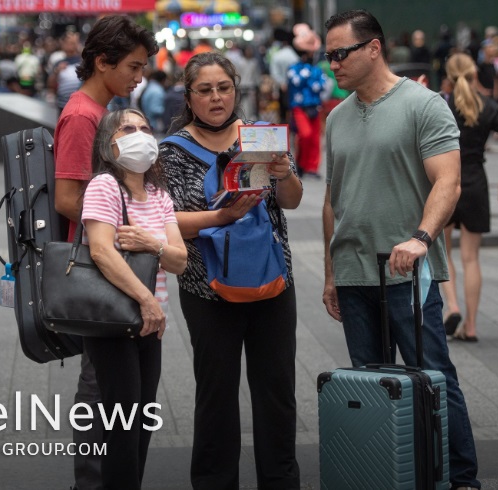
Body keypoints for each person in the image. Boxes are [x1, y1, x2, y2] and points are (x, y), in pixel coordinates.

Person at [321, 10, 480, 490]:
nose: (333, 65)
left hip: (409, 273)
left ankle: (460, 478)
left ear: (374, 48)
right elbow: (333, 199)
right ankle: (382, 476)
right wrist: (330, 273)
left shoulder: (424, 104)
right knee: (370, 387)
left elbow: (447, 183)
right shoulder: (336, 117)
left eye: (340, 53)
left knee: (433, 378)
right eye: (328, 56)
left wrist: (422, 238)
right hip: (352, 273)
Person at [158, 52, 303, 490]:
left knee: (277, 393)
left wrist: (283, 172)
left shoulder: (261, 136)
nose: (216, 97)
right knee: (216, 396)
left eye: (224, 87)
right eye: (205, 90)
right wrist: (220, 218)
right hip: (207, 289)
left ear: (235, 89)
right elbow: (168, 222)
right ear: (189, 97)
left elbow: (291, 200)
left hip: (272, 281)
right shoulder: (172, 152)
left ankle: (280, 480)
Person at [52, 15, 158, 490]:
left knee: (112, 391)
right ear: (102, 61)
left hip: (113, 264)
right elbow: (67, 197)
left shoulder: (104, 111)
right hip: (99, 268)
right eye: (134, 66)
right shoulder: (83, 115)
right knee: (102, 391)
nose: (140, 77)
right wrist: (122, 226)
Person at [81, 109, 187, 489]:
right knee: (122, 425)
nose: (140, 134)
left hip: (150, 323)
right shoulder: (104, 187)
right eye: (128, 128)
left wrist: (150, 242)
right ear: (110, 143)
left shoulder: (159, 195)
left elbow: (179, 260)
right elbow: (101, 251)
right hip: (117, 321)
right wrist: (146, 300)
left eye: (145, 128)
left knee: (141, 421)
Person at [441, 53, 498, 342]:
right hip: (475, 184)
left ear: (447, 75)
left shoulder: (440, 103)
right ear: (474, 75)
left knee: (443, 254)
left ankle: (453, 307)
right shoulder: (488, 105)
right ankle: (470, 327)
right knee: (471, 258)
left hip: (445, 183)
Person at [288, 24, 326, 178]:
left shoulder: (316, 69)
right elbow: (295, 83)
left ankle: (312, 167)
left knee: (315, 138)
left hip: (315, 106)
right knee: (305, 135)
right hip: (299, 107)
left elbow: (322, 84)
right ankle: (301, 164)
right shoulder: (294, 68)